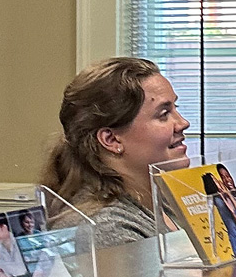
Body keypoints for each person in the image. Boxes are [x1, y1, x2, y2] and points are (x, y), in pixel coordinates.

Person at [41, 57, 191, 248]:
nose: (183, 123)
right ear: (111, 140)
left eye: (175, 109)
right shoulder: (104, 228)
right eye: (163, 114)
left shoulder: (162, 202)